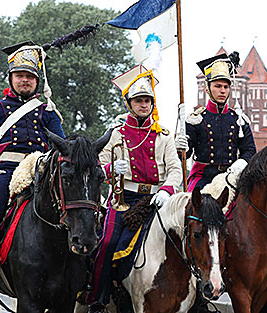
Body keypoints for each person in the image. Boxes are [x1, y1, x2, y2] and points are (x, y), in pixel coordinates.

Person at [0, 41, 65, 300]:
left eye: (30, 77)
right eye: (20, 76)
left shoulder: (47, 112)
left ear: (37, 81)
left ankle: (82, 278)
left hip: (40, 174)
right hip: (5, 174)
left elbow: (62, 144)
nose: (25, 81)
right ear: (10, 78)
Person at [86, 65, 182, 313]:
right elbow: (96, 167)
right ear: (129, 103)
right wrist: (110, 169)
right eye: (138, 101)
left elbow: (175, 170)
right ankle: (99, 297)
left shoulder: (163, 136)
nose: (144, 105)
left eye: (147, 101)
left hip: (157, 199)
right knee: (107, 243)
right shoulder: (115, 134)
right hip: (123, 198)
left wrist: (167, 191)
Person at [174, 53, 256, 192]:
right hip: (203, 177)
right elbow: (184, 156)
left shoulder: (239, 120)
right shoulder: (196, 120)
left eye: (226, 86)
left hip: (231, 177)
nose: (222, 91)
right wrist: (179, 148)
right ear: (207, 88)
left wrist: (241, 163)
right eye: (218, 86)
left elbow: (249, 150)